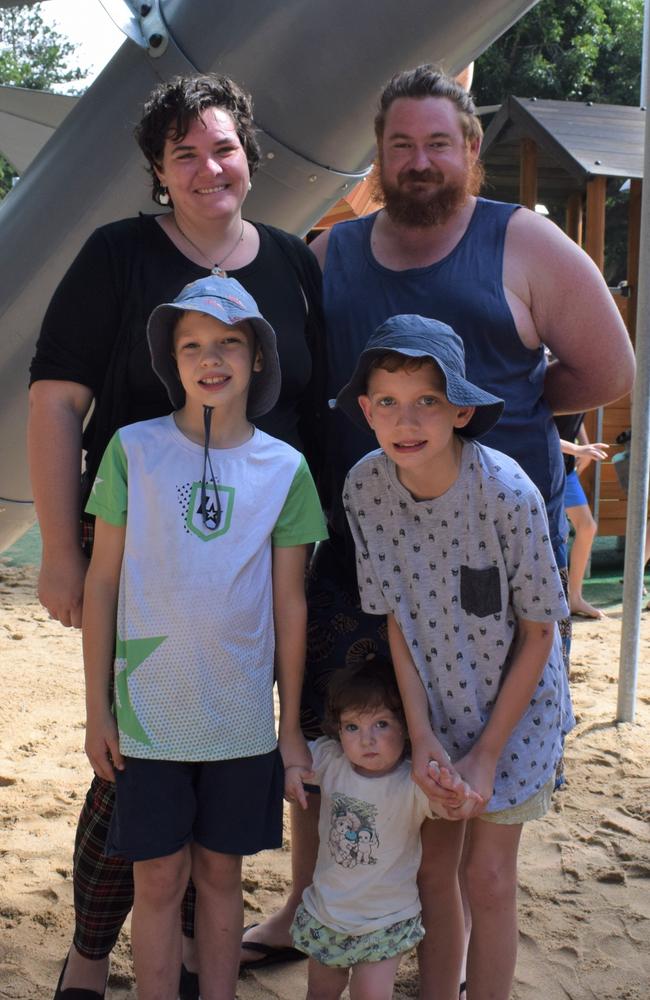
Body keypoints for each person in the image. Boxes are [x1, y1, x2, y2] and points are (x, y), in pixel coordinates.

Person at [241, 63, 635, 976]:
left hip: (489, 555)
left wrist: (511, 421)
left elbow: (606, 370)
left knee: (466, 814)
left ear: (470, 153)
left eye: (438, 143)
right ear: (377, 160)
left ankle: (442, 957)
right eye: (399, 146)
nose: (419, 161)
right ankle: (318, 901)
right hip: (365, 543)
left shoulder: (523, 244)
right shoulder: (337, 252)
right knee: (346, 738)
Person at [28, 73, 325, 999]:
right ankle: (87, 951)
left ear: (250, 153)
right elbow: (55, 401)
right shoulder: (117, 254)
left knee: (215, 814)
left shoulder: (288, 260)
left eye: (224, 146)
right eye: (184, 152)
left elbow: (310, 402)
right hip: (139, 552)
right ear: (159, 169)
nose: (209, 167)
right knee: (129, 779)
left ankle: (203, 962)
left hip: (258, 548)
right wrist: (62, 550)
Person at [82, 274, 327, 999]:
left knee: (222, 874)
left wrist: (288, 729)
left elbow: (290, 603)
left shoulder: (286, 468)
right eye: (191, 344)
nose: (209, 357)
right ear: (171, 358)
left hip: (241, 720)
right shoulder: (133, 450)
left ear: (258, 358)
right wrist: (97, 709)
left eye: (228, 342)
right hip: (149, 716)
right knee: (158, 877)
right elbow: (101, 584)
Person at [338, 314, 574, 1000]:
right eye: (388, 401)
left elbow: (539, 633)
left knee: (489, 878)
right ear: (365, 410)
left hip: (515, 713)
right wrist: (423, 736)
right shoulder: (364, 489)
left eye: (427, 401)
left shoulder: (506, 493)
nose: (406, 419)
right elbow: (397, 627)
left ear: (461, 409)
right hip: (432, 708)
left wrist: (487, 755)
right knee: (432, 872)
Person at [286, 658, 474, 1000]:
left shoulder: (414, 783)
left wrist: (457, 794)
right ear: (338, 731)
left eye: (381, 724)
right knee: (320, 991)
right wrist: (290, 774)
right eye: (352, 727)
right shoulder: (330, 761)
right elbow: (294, 762)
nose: (366, 740)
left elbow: (449, 807)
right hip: (328, 913)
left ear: (406, 726)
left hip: (386, 920)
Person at [555, 414, 609, 619]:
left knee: (587, 527)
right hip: (541, 466)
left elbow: (576, 417)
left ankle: (574, 598)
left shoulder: (580, 389)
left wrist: (585, 445)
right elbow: (538, 431)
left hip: (566, 470)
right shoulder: (549, 386)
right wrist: (578, 449)